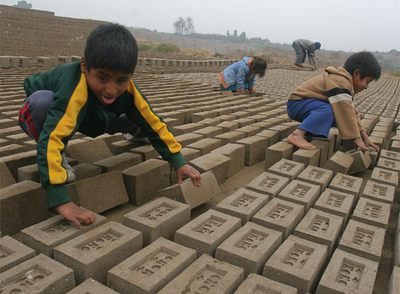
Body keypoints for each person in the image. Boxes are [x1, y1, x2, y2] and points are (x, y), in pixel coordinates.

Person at [18, 23, 201, 228]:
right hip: (50, 111)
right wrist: (60, 199)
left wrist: (179, 161)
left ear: (131, 75)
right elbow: (53, 137)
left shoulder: (128, 91)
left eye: (121, 80)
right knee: (42, 104)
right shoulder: (71, 88)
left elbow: (155, 124)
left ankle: (133, 130)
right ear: (85, 66)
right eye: (103, 78)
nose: (111, 89)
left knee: (140, 118)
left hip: (96, 114)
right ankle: (57, 160)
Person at [286, 51, 381, 151]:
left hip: (307, 105)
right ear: (357, 74)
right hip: (297, 104)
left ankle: (310, 132)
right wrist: (356, 138)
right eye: (367, 82)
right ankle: (297, 135)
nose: (366, 87)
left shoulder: (345, 84)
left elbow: (352, 112)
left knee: (340, 116)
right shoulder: (340, 81)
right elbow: (345, 112)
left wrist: (365, 138)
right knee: (330, 110)